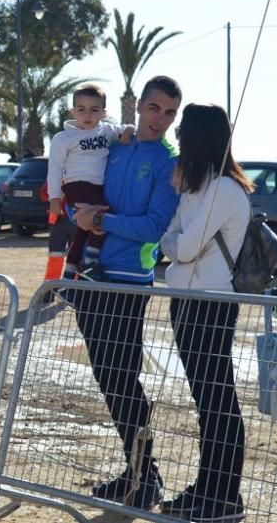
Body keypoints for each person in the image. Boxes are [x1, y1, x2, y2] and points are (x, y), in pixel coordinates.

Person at [70, 75, 182, 511]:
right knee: (108, 377)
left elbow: (154, 226)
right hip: (92, 279)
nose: (161, 120)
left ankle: (145, 475)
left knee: (123, 379)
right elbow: (78, 145)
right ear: (138, 107)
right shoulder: (115, 144)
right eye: (154, 109)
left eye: (170, 112)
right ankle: (136, 471)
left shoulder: (168, 161)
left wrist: (99, 223)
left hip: (129, 282)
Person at [158, 104, 250, 523]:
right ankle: (208, 486)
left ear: (200, 137)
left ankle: (225, 496)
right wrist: (176, 245)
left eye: (183, 133)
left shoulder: (225, 191)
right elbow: (169, 237)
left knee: (217, 399)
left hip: (211, 304)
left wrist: (176, 246)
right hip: (186, 300)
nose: (177, 140)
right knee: (206, 400)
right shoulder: (197, 187)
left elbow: (182, 245)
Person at [46, 84, 134, 278]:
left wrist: (127, 132)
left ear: (103, 113)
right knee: (104, 216)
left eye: (94, 110)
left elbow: (126, 128)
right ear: (73, 112)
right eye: (81, 109)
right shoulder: (63, 138)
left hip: (97, 189)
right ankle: (91, 259)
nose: (87, 115)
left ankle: (70, 270)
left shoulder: (107, 130)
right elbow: (54, 169)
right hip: (76, 186)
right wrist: (54, 198)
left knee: (84, 229)